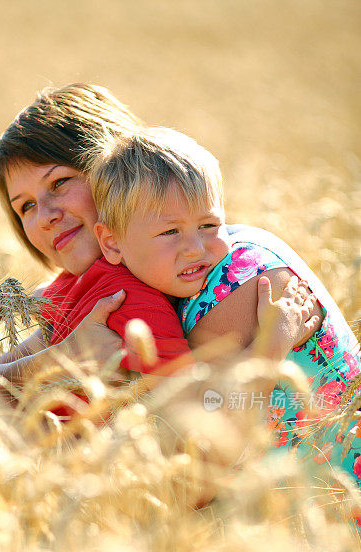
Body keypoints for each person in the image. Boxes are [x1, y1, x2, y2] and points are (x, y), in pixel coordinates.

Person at [0, 83, 317, 407]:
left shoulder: (234, 273)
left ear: (117, 169)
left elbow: (201, 437)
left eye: (59, 182)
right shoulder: (87, 286)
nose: (44, 214)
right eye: (26, 206)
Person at [86, 126, 361, 500]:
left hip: (337, 495)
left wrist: (273, 343)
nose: (195, 247)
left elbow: (218, 433)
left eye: (208, 225)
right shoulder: (240, 250)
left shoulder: (228, 293)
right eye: (170, 232)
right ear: (111, 241)